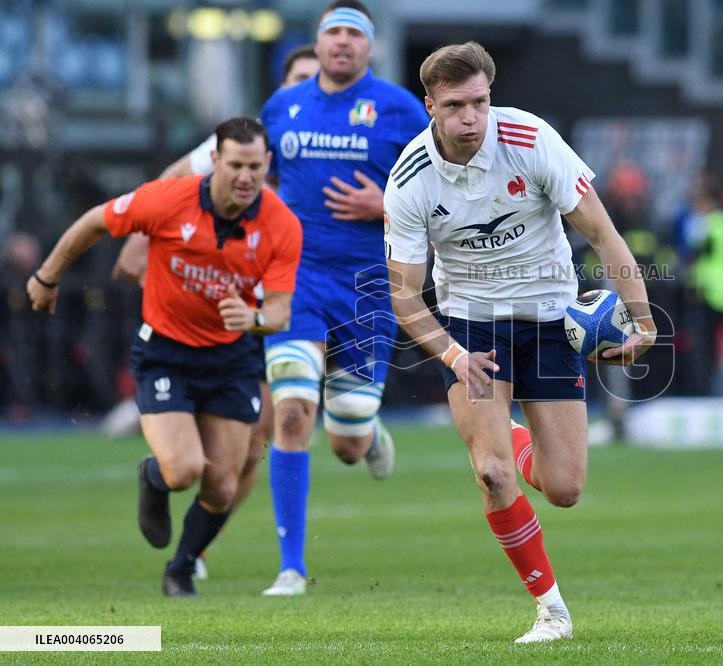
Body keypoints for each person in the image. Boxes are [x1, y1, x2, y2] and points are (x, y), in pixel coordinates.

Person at [383, 42, 656, 643]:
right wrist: (453, 356)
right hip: (472, 329)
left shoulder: (532, 140)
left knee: (564, 489)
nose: (471, 118)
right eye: (455, 106)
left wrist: (645, 321)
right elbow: (404, 296)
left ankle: (504, 437)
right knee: (492, 476)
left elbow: (604, 235)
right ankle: (551, 610)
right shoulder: (409, 180)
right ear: (429, 105)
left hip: (551, 320)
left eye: (480, 102)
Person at [27, 117, 303, 596]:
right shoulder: (167, 199)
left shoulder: (281, 223)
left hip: (231, 359)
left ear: (268, 166)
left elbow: (279, 313)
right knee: (182, 471)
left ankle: (181, 568)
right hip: (166, 353)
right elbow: (95, 220)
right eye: (235, 164)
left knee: (223, 484)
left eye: (255, 167)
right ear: (215, 161)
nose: (245, 177)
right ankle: (153, 479)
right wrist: (47, 277)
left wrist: (253, 317)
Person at [109, 43, 321, 581]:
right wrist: (138, 236)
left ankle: (194, 549)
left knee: (268, 440)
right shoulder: (258, 132)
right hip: (236, 297)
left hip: (304, 286)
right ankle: (193, 538)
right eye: (298, 78)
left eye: (315, 78)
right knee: (266, 428)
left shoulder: (351, 131)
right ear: (282, 87)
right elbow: (175, 177)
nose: (308, 87)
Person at [257, 0, 428, 596]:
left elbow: (446, 194)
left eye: (356, 34)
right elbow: (264, 182)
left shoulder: (402, 110)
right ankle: (292, 568)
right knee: (292, 408)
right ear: (317, 42)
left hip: (367, 288)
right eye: (334, 32)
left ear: (370, 48)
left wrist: (384, 204)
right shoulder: (282, 106)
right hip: (296, 280)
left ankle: (369, 433)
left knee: (348, 441)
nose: (343, 43)